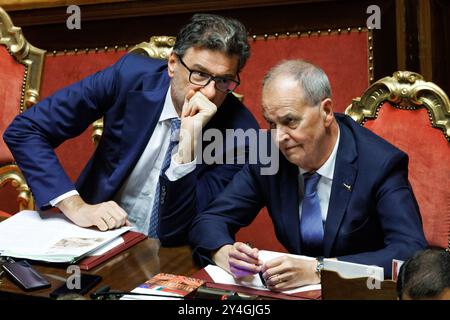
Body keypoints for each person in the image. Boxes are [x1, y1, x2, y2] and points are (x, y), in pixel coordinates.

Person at [3, 14, 258, 245]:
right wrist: (76, 206)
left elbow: (178, 232)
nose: (210, 92)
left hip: (173, 260)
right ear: (172, 63)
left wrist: (186, 149)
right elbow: (26, 130)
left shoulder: (242, 135)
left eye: (223, 80)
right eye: (199, 74)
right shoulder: (129, 77)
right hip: (95, 241)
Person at [189, 60, 427, 291]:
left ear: (325, 111)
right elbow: (209, 220)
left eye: (290, 121)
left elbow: (410, 252)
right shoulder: (269, 155)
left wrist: (319, 269)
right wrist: (224, 253)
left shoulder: (379, 164)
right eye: (271, 124)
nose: (279, 137)